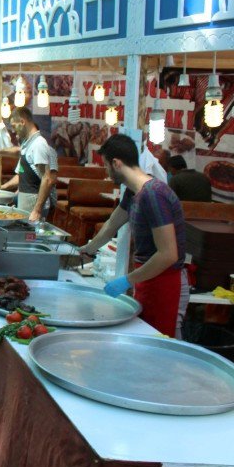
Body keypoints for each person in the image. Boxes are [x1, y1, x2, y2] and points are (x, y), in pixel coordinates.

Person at [79, 134, 188, 337]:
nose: (107, 172)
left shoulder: (153, 194)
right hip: (147, 277)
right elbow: (113, 223)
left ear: (116, 163)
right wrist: (88, 249)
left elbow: (168, 254)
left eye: (106, 166)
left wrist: (127, 280)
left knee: (160, 346)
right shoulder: (133, 192)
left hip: (166, 281)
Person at [0, 107, 58, 222]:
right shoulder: (29, 144)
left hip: (33, 202)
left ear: (22, 122)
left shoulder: (39, 144)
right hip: (25, 200)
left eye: (13, 126)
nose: (12, 130)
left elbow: (47, 179)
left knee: (30, 238)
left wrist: (37, 210)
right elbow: (18, 152)